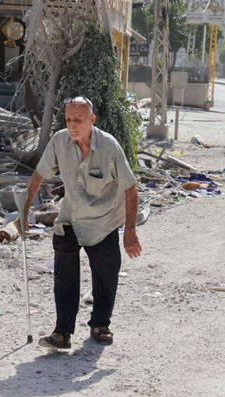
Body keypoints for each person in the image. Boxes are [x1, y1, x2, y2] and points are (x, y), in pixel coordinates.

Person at [17, 96, 142, 350]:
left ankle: (100, 325)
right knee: (64, 275)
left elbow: (131, 189)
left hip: (103, 220)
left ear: (92, 120)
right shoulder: (59, 141)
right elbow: (38, 175)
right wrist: (24, 213)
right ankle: (62, 332)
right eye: (69, 119)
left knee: (106, 272)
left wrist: (130, 231)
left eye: (79, 120)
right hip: (71, 218)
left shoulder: (109, 146)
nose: (73, 125)